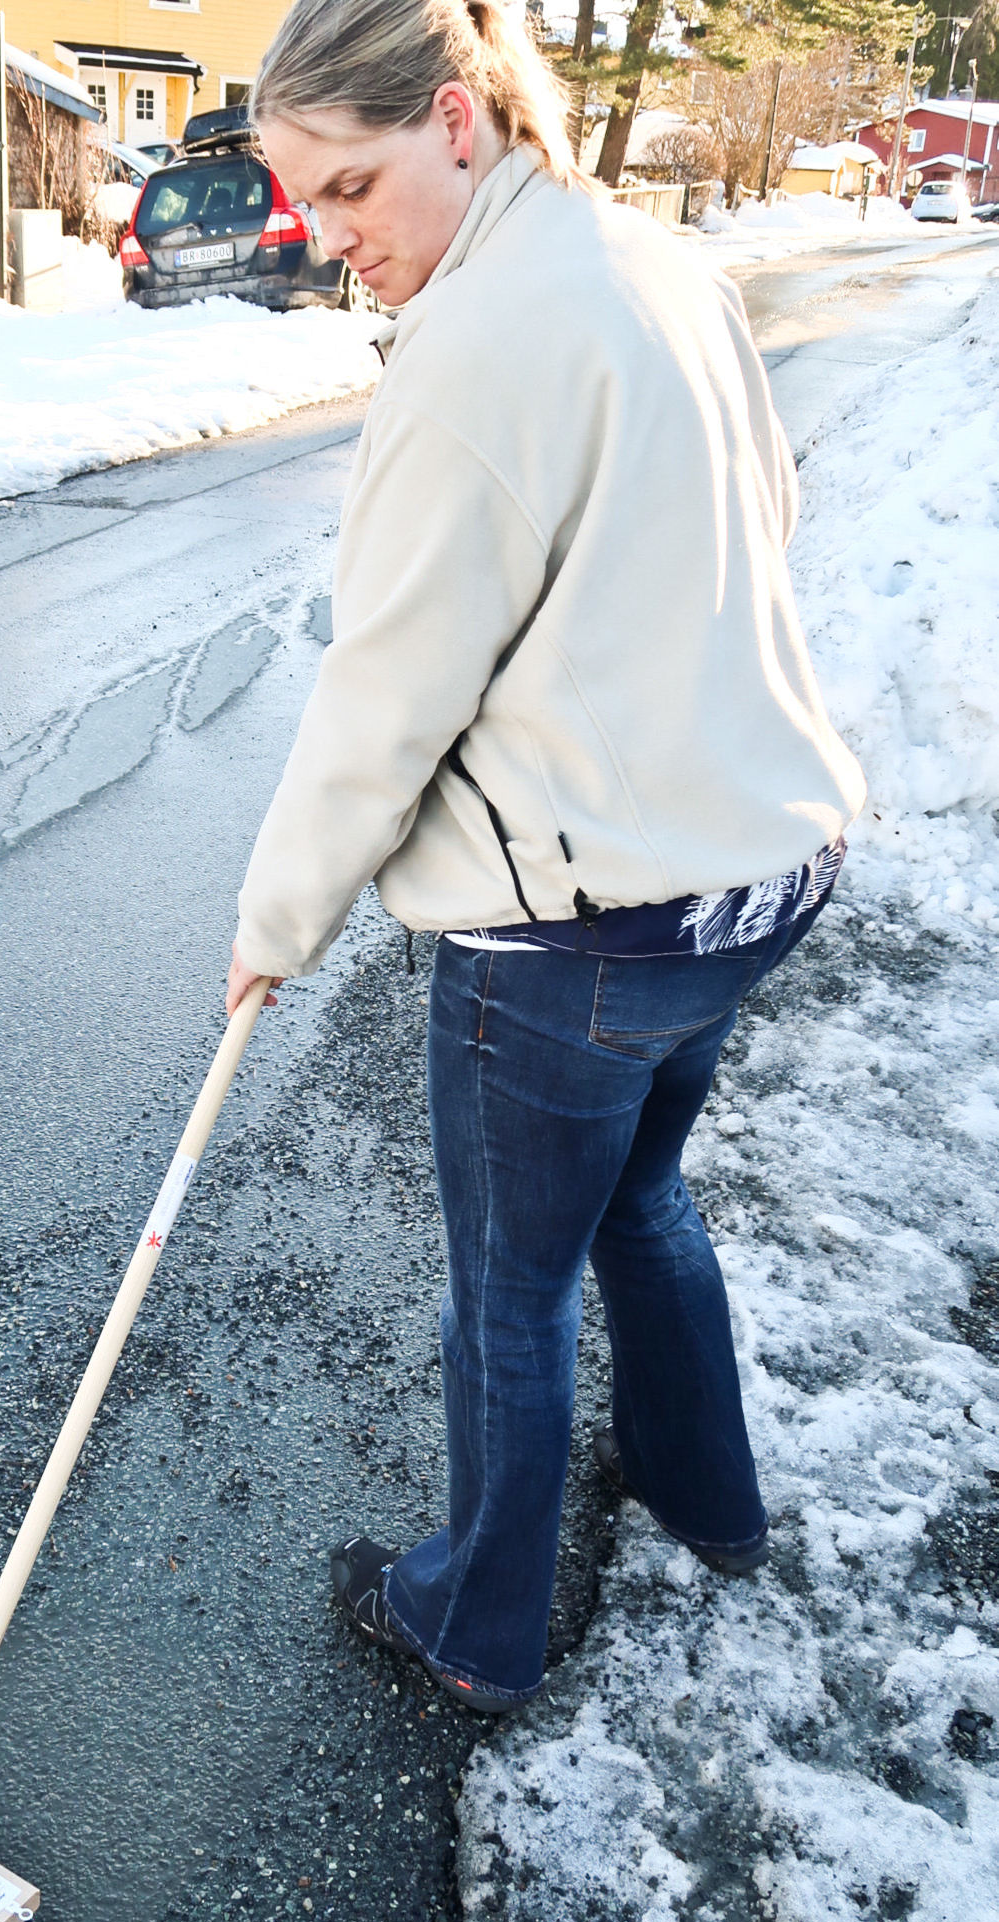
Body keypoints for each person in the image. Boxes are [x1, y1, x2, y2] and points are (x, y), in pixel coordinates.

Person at [224, 0, 865, 1715]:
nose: (334, 239)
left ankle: (475, 1623)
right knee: (640, 1195)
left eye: (351, 188)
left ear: (455, 120)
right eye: (306, 206)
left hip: (581, 932)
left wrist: (275, 914)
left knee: (505, 1283)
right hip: (756, 878)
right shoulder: (655, 266)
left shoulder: (475, 350)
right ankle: (700, 1490)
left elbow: (388, 688)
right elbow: (762, 517)